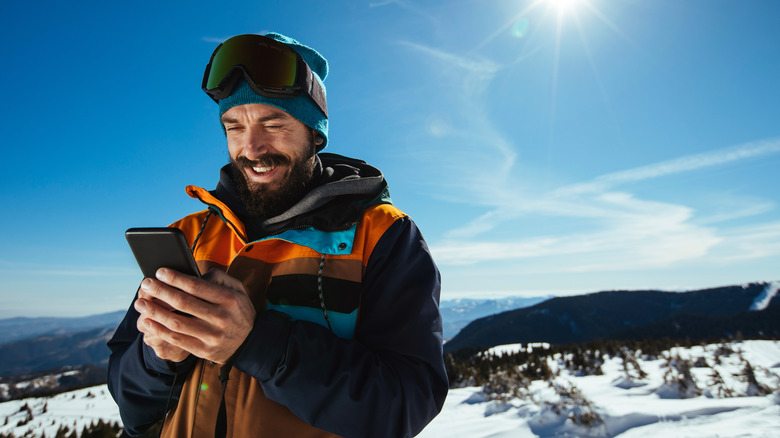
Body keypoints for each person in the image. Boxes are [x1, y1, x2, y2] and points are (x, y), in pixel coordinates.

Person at [107, 32, 448, 438]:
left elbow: (407, 406)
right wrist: (157, 357)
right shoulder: (189, 235)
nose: (251, 148)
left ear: (314, 134)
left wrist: (256, 344)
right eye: (234, 127)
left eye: (273, 123)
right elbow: (130, 402)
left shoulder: (383, 234)